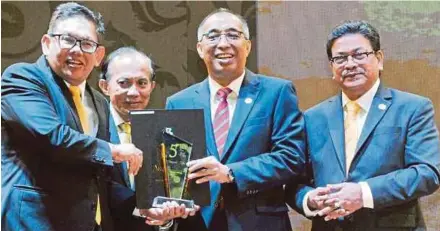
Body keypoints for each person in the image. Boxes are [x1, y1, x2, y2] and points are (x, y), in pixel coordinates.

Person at [2, 3, 148, 231]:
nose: (77, 50)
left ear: (99, 55)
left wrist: (145, 207)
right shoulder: (23, 78)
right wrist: (113, 150)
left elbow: (101, 178)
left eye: (87, 44)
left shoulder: (99, 101)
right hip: (34, 222)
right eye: (67, 40)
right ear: (47, 43)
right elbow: (51, 136)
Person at [286, 20, 440, 230]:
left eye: (359, 55)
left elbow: (428, 172)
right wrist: (309, 199)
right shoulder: (313, 117)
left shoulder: (412, 108)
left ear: (379, 59)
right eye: (340, 58)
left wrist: (363, 193)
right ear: (331, 67)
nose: (350, 64)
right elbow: (294, 182)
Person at [165, 8, 305, 231]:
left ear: (248, 46)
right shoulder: (178, 102)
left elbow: (291, 157)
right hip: (198, 223)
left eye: (232, 35)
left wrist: (230, 173)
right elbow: (175, 171)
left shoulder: (276, 92)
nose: (223, 44)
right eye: (212, 36)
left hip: (259, 223)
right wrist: (174, 204)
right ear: (200, 49)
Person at [99, 47, 196, 231]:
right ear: (105, 86)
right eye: (124, 83)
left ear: (152, 87)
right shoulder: (92, 129)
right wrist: (142, 210)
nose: (134, 92)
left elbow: (169, 199)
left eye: (142, 83)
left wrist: (165, 220)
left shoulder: (166, 134)